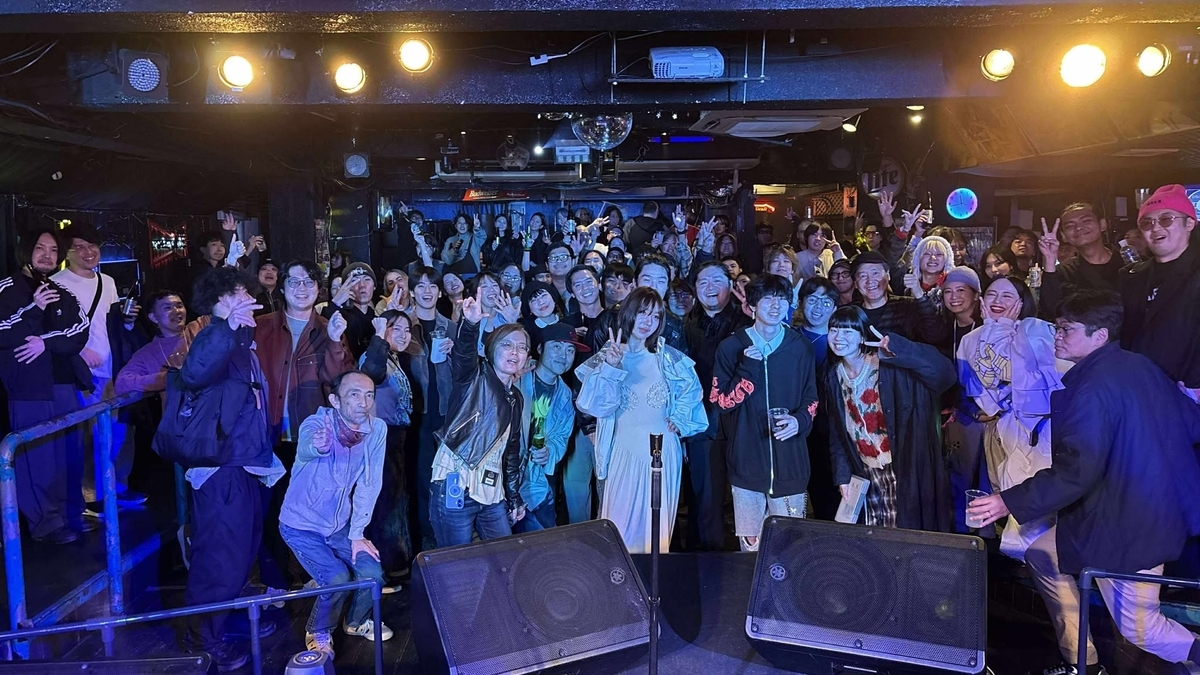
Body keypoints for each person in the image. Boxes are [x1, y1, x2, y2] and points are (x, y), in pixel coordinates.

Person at [968, 291, 1200, 675]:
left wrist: (1006, 501)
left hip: (1129, 524)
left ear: (1100, 336)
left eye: (1067, 330)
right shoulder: (1139, 365)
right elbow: (1192, 423)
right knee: (1042, 554)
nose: (1057, 336)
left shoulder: (1092, 388)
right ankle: (1083, 660)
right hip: (1127, 511)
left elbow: (1077, 471)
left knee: (1142, 629)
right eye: (1057, 328)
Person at [180, 267, 284, 672]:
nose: (246, 300)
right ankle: (202, 640)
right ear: (217, 300)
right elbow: (194, 372)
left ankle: (222, 626)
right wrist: (225, 325)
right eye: (236, 294)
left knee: (241, 549)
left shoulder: (239, 337)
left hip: (244, 462)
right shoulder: (212, 335)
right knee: (220, 555)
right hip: (221, 467)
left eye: (246, 293)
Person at [576, 287, 707, 554]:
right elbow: (593, 405)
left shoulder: (668, 358)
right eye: (643, 313)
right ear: (628, 313)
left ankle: (653, 577)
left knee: (656, 529)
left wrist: (680, 418)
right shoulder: (610, 354)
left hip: (662, 450)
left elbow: (692, 395)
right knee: (619, 526)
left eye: (656, 316)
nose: (649, 321)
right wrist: (611, 367)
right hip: (623, 450)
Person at [255, 259, 354, 592]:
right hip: (267, 436)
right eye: (294, 282)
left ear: (318, 288)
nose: (302, 288)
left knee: (311, 511)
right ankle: (276, 582)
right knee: (270, 512)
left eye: (309, 282)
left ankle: (313, 573)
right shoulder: (261, 326)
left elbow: (339, 382)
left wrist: (336, 342)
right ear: (282, 287)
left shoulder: (328, 328)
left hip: (310, 440)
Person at [279, 370, 392, 658]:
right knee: (336, 578)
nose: (363, 402)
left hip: (339, 525)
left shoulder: (376, 429)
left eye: (369, 395)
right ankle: (318, 630)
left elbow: (370, 483)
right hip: (301, 526)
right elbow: (307, 446)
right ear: (335, 400)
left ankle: (354, 622)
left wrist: (357, 534)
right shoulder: (318, 423)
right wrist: (317, 446)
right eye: (354, 394)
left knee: (372, 573)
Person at [825, 306, 955, 531]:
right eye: (834, 330)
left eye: (847, 331)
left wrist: (899, 348)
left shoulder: (889, 365)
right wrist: (842, 476)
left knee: (904, 533)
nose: (838, 338)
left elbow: (945, 375)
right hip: (865, 469)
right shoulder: (833, 376)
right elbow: (838, 431)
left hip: (902, 466)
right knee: (875, 532)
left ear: (862, 336)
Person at [711, 275, 818, 551]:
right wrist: (748, 369)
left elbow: (811, 397)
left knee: (790, 548)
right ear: (752, 306)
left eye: (781, 299)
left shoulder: (800, 347)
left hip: (791, 462)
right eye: (767, 299)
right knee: (751, 550)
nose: (775, 305)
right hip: (746, 463)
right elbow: (721, 401)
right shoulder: (731, 347)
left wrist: (799, 421)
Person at [957, 276, 1060, 559]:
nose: (998, 301)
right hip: (1005, 428)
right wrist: (992, 329)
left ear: (1021, 301)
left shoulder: (1038, 330)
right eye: (992, 294)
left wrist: (1000, 329)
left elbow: (1023, 375)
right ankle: (1029, 563)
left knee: (1042, 496)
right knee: (1011, 492)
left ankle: (1047, 562)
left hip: (1042, 427)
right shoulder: (970, 340)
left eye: (1007, 295)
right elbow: (982, 391)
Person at [0, 228, 92, 544]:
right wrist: (34, 309)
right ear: (26, 251)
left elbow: (79, 331)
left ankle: (71, 515)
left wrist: (45, 341)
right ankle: (45, 524)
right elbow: (3, 331)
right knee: (37, 459)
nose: (47, 255)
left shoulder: (62, 291)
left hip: (65, 383)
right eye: (40, 248)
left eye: (53, 250)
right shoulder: (6, 289)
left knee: (69, 455)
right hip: (28, 388)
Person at [52, 224, 147, 509]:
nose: (88, 251)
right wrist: (79, 351)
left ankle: (118, 486)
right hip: (81, 373)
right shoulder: (57, 283)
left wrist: (127, 321)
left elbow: (111, 325)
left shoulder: (107, 281)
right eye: (79, 246)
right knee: (88, 435)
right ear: (67, 252)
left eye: (92, 245)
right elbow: (51, 330)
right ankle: (91, 496)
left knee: (118, 432)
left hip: (113, 369)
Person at [429, 291, 529, 546]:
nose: (515, 352)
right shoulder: (475, 375)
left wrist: (513, 497)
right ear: (492, 350)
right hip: (456, 480)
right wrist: (470, 324)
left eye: (522, 347)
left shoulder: (516, 397)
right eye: (507, 345)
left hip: (491, 491)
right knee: (456, 560)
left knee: (503, 556)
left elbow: (512, 450)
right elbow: (463, 354)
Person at [683, 261, 751, 549]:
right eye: (703, 282)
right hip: (702, 424)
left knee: (747, 498)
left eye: (717, 281)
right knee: (705, 499)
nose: (709, 288)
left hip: (745, 424)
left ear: (731, 286)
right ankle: (706, 561)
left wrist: (754, 318)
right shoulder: (687, 327)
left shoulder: (747, 322)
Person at [1118, 184, 1200, 399]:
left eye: (1166, 219)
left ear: (1189, 223)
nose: (1155, 228)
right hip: (1139, 389)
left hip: (1187, 392)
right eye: (1147, 222)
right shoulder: (1132, 276)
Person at [514, 324, 586, 532]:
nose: (563, 356)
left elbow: (561, 437)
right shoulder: (516, 378)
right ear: (540, 349)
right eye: (556, 347)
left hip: (537, 481)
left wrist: (549, 451)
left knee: (542, 538)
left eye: (570, 350)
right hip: (503, 477)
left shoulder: (565, 395)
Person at [359, 311, 415, 579]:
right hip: (381, 437)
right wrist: (379, 335)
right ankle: (387, 568)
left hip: (395, 437)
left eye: (407, 330)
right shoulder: (376, 355)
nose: (404, 335)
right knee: (385, 503)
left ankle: (395, 564)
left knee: (395, 500)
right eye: (397, 329)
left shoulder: (393, 358)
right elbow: (370, 372)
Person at [406, 266, 456, 551]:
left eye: (432, 286)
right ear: (412, 292)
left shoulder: (450, 327)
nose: (427, 291)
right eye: (421, 286)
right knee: (421, 476)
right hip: (416, 414)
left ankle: (446, 533)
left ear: (439, 292)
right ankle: (425, 537)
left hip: (445, 412)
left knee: (447, 476)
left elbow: (464, 371)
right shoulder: (404, 325)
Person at [793, 276, 840, 519]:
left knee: (830, 493)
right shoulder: (790, 337)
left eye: (826, 302)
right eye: (812, 300)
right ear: (801, 303)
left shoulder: (841, 341)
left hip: (832, 428)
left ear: (835, 307)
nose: (818, 307)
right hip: (797, 425)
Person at [1035, 205, 1124, 318]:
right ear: (1063, 236)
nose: (1078, 228)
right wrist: (1049, 259)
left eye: (1086, 221)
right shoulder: (1064, 272)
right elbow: (1050, 311)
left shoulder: (1129, 263)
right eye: (1070, 226)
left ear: (1102, 225)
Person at [852, 251, 948, 345]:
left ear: (888, 275)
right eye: (863, 276)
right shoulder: (849, 313)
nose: (870, 281)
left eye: (875, 273)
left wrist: (920, 295)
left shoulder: (908, 307)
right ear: (855, 283)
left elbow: (936, 336)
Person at [116, 290, 190, 397]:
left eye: (179, 306)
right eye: (167, 308)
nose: (176, 311)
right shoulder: (147, 353)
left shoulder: (200, 329)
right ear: (153, 317)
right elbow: (122, 383)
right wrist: (167, 379)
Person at [323, 263, 378, 360]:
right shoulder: (339, 316)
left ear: (374, 286)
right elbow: (321, 332)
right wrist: (335, 303)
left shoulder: (377, 318)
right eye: (354, 281)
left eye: (367, 279)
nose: (362, 285)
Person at [903, 235, 953, 313]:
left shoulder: (951, 289)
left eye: (939, 254)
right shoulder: (906, 285)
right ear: (918, 259)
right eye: (927, 254)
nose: (932, 258)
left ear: (947, 261)